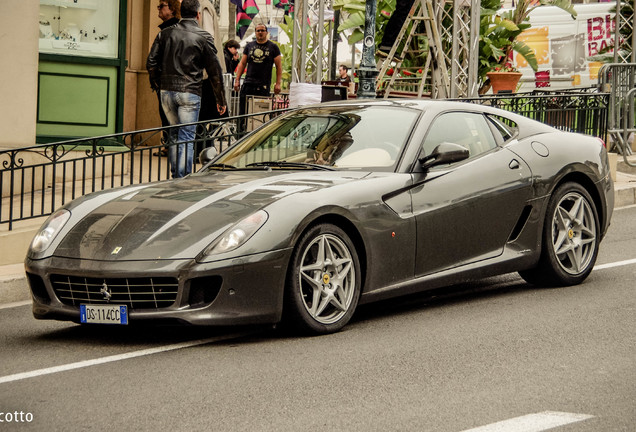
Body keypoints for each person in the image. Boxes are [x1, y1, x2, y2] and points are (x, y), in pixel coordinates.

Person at [146, 0, 227, 178]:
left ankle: (177, 176)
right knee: (186, 137)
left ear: (180, 13)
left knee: (174, 135)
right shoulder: (203, 37)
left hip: (167, 92)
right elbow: (215, 71)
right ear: (198, 14)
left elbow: (151, 62)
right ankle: (182, 178)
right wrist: (220, 100)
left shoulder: (165, 34)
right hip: (190, 92)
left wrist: (158, 85)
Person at [233, 24, 282, 130]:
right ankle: (240, 136)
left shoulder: (273, 47)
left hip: (263, 86)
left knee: (261, 115)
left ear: (266, 32)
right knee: (243, 113)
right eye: (258, 30)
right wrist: (237, 80)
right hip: (248, 84)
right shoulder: (249, 46)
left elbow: (279, 66)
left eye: (262, 30)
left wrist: (278, 83)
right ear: (255, 32)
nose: (260, 32)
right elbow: (242, 63)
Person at [153, 0, 181, 157]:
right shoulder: (168, 29)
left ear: (171, 9)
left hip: (169, 80)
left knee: (169, 114)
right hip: (173, 79)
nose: (158, 9)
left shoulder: (169, 30)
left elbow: (153, 59)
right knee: (168, 115)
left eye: (161, 6)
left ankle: (171, 146)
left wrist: (154, 78)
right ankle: (170, 145)